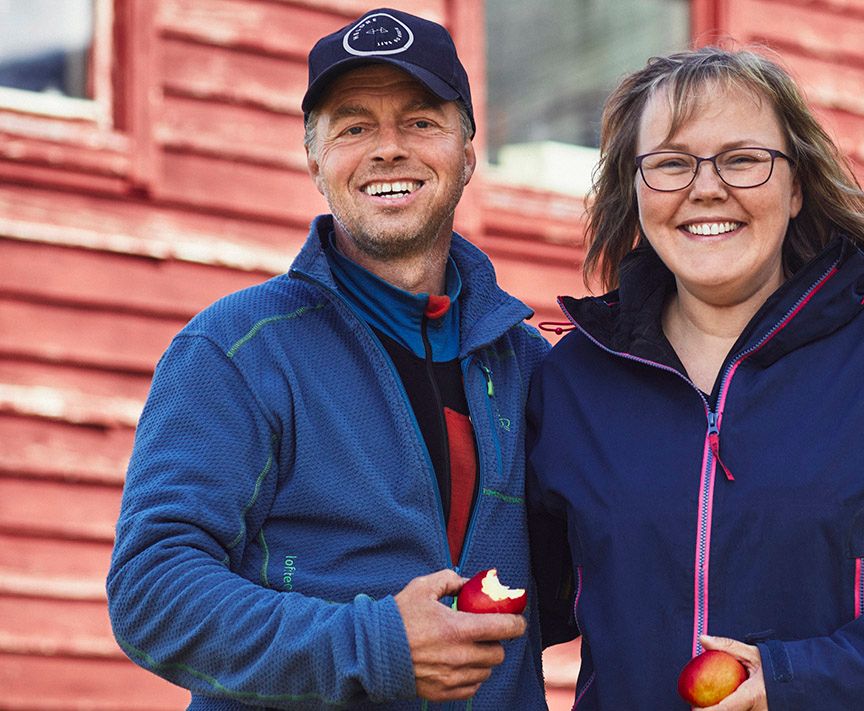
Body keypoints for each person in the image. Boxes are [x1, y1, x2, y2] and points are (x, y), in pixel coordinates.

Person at [526, 46, 864, 710]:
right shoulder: (575, 382)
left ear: (797, 185)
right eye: (670, 163)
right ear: (635, 192)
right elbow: (514, 593)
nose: (705, 187)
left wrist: (804, 679)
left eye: (742, 159)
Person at [107, 8, 549, 709]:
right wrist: (375, 646)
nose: (388, 149)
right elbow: (151, 592)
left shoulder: (528, 366)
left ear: (468, 154)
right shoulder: (237, 350)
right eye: (354, 128)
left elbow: (606, 572)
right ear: (316, 163)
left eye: (421, 122)